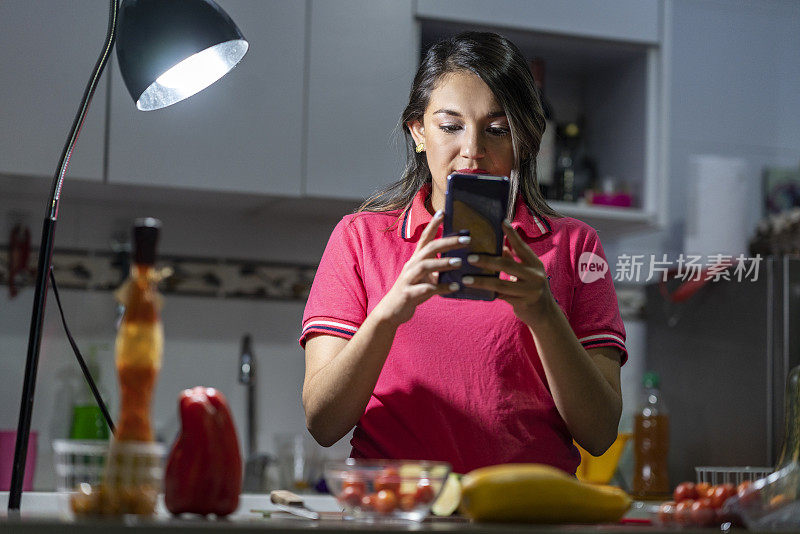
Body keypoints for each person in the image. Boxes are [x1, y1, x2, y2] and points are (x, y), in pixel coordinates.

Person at [299, 31, 626, 475]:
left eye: (497, 130)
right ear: (418, 131)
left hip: (527, 513)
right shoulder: (360, 238)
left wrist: (544, 313)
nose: (472, 150)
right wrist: (389, 312)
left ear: (526, 141)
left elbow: (601, 433)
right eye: (450, 126)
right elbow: (322, 422)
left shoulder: (575, 247)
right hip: (394, 511)